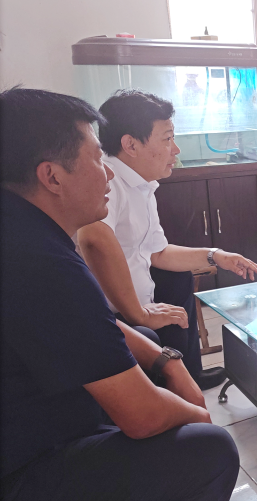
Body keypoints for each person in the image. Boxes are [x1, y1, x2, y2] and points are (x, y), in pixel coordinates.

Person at [0, 87, 238, 500]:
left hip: (29, 413)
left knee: (145, 340)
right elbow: (144, 417)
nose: (107, 172)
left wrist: (169, 361)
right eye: (96, 159)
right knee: (209, 448)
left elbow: (95, 316)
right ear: (52, 176)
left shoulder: (22, 228)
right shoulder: (41, 263)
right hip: (23, 466)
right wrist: (197, 415)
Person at [77, 89, 257, 390]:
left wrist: (216, 255)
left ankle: (190, 374)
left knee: (177, 278)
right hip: (114, 312)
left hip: (140, 299)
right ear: (131, 145)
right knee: (164, 300)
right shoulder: (108, 180)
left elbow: (158, 253)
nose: (175, 149)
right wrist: (137, 313)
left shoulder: (141, 184)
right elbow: (93, 236)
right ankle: (172, 385)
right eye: (167, 139)